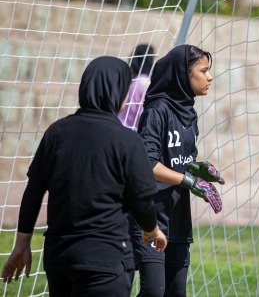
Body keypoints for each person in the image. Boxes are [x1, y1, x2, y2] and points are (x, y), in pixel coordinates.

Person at [1, 57, 167, 297]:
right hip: (105, 262)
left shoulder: (56, 132)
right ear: (118, 92)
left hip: (58, 259)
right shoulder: (127, 141)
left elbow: (34, 192)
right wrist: (152, 229)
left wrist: (22, 242)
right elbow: (142, 202)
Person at [129, 45, 223, 297]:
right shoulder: (156, 110)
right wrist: (189, 181)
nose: (209, 77)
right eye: (203, 70)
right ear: (184, 74)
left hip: (178, 217)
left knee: (176, 293)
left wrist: (197, 169)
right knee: (153, 292)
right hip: (151, 217)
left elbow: (178, 160)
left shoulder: (189, 113)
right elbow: (147, 164)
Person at [119, 44, 155, 130]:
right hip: (132, 134)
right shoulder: (145, 84)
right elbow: (143, 115)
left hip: (120, 127)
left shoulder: (131, 83)